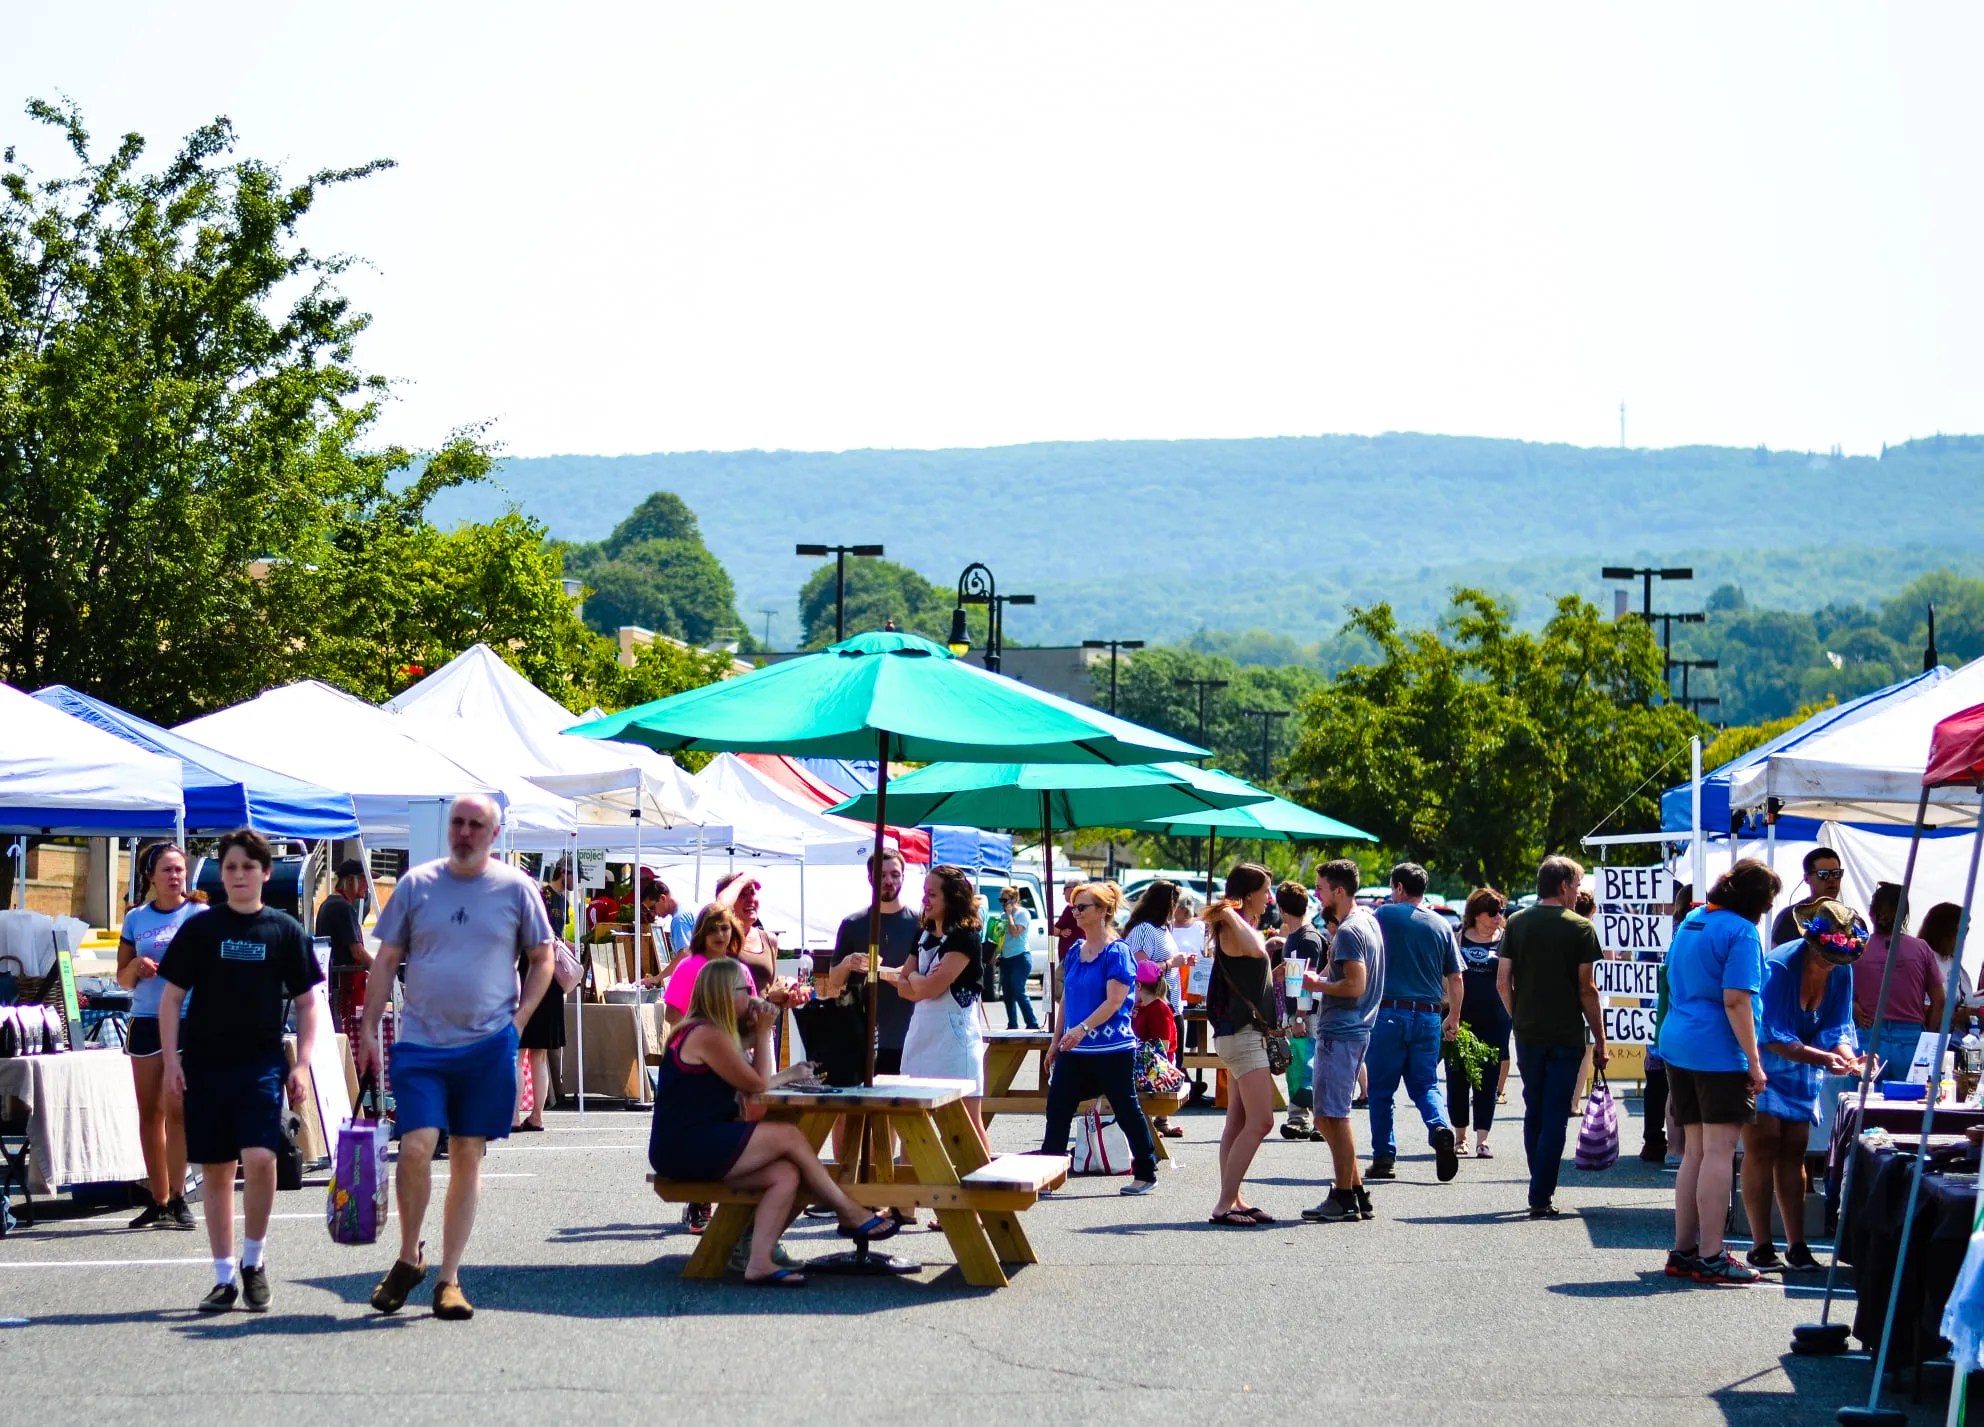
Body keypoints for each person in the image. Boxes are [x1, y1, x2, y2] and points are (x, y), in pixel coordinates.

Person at [358, 793, 555, 1321]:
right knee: (418, 1147)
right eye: (458, 823)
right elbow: (386, 960)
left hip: (487, 1046)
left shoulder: (517, 889)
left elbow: (543, 958)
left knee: (468, 1154)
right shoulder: (416, 884)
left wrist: (517, 1024)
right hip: (422, 1044)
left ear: (494, 835)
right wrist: (370, 1025)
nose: (464, 832)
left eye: (475, 825)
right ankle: (408, 1255)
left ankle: (449, 1277)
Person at [648, 958, 899, 1285]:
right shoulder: (705, 1035)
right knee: (788, 1136)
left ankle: (759, 1260)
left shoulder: (715, 1033)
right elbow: (756, 1085)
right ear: (724, 994)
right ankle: (846, 1209)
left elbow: (753, 1077)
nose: (753, 996)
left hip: (701, 1139)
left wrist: (769, 1027)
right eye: (746, 990)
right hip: (686, 1146)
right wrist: (765, 1030)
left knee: (785, 1173)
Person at [157, 828, 321, 1313]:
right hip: (206, 1064)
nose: (239, 875)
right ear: (220, 874)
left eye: (249, 867)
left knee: (262, 1157)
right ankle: (225, 1275)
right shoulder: (201, 929)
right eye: (230, 867)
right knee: (217, 1169)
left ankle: (255, 1260)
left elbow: (310, 1002)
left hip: (261, 1065)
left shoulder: (284, 930)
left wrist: (304, 1062)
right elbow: (171, 998)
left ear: (266, 873)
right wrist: (171, 1060)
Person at [1657, 856, 1780, 1285]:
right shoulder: (1742, 932)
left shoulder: (1692, 919)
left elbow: (1670, 977)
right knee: (1719, 1152)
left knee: (1694, 1151)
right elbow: (1736, 1000)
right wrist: (1755, 1062)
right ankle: (1711, 1255)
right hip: (1718, 1051)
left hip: (1679, 1042)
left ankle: (1685, 1249)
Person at [1744, 897, 1865, 1273]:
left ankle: (1797, 1246)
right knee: (1764, 1144)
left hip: (1804, 1066)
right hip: (1765, 1062)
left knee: (1795, 1148)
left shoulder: (1842, 969)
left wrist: (1848, 1056)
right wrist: (1826, 1058)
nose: (1832, 964)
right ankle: (1761, 1244)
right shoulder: (1779, 966)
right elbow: (1771, 1035)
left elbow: (1837, 1026)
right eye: (1826, 956)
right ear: (1810, 944)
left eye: (1838, 958)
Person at [1498, 858, 1605, 1219]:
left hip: (1527, 1032)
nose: (1578, 892)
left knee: (1535, 1107)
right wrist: (1601, 1039)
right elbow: (1587, 990)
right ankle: (1541, 1192)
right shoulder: (1580, 929)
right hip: (1566, 1033)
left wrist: (1518, 1014)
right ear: (1562, 886)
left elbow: (1502, 981)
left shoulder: (1516, 922)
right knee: (1556, 1112)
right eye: (1575, 886)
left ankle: (1538, 1180)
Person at [1038, 881, 1158, 1196]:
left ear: (1104, 911)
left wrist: (1082, 1029)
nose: (1074, 912)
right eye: (1073, 907)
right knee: (1058, 1105)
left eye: (1082, 907)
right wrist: (1056, 1040)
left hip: (1112, 1048)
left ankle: (1146, 1171)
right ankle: (1049, 1173)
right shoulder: (1077, 951)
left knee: (1125, 1106)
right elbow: (1067, 998)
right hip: (1074, 1048)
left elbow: (1114, 1002)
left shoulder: (1117, 952)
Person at [117, 841, 206, 1230]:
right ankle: (159, 1198)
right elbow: (121, 979)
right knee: (149, 1112)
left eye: (180, 870)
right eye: (167, 870)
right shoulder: (136, 918)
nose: (175, 877)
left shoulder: (199, 913)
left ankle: (180, 1194)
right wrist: (137, 964)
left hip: (187, 1019)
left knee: (177, 1109)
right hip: (146, 1019)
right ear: (150, 877)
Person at [1367, 862, 1463, 1183]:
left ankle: (1384, 1157)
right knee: (1425, 1085)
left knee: (1381, 1090)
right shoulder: (1441, 925)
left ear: (1398, 887)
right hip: (1428, 1014)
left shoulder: (1383, 916)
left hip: (1389, 1012)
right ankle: (1439, 1128)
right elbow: (1456, 978)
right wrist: (1454, 1016)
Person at [1302, 859, 1385, 1224]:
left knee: (1331, 1115)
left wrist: (1316, 986)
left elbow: (1355, 985)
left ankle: (1344, 1195)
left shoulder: (1350, 930)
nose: (1316, 894)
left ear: (1338, 890)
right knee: (1327, 1116)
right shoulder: (1367, 920)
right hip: (1355, 1029)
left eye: (1319, 887)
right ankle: (1356, 1191)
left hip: (1343, 1029)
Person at [1205, 864, 1281, 1225]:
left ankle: (1233, 1198)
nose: (1270, 898)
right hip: (1243, 1036)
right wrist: (1228, 910)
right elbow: (1254, 948)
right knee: (1262, 1121)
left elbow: (1254, 962)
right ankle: (1223, 1204)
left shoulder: (1239, 926)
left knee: (1237, 1120)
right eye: (1266, 890)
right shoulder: (1235, 926)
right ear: (1248, 894)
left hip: (1240, 1034)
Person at [896, 865, 989, 1137]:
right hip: (920, 1036)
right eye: (925, 893)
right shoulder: (922, 934)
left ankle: (980, 1179)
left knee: (967, 1125)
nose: (925, 900)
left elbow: (931, 988)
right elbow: (905, 988)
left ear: (952, 898)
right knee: (914, 1125)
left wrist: (913, 978)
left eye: (932, 894)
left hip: (955, 1041)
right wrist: (916, 979)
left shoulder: (965, 937)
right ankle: (911, 1179)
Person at [1857, 882, 1944, 1077]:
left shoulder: (1857, 948)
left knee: (1863, 1104)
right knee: (1909, 1105)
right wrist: (1927, 1036)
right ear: (1904, 914)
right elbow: (1939, 1000)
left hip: (1868, 1037)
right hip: (1911, 1041)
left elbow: (1838, 993)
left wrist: (1854, 1006)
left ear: (1872, 913)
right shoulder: (1921, 948)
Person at [1449, 886, 1508, 1159]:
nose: (1498, 917)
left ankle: (1483, 1139)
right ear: (1476, 914)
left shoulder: (1506, 940)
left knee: (1488, 1079)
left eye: (1501, 911)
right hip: (1461, 1018)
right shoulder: (1458, 938)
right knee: (1458, 1078)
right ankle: (1460, 1137)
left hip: (1496, 1019)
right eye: (1492, 912)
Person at [514, 877, 569, 1132]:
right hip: (551, 990)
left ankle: (514, 1117)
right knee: (539, 1056)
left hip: (526, 990)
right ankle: (537, 1116)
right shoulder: (549, 930)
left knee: (518, 1055)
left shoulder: (518, 925)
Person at [1274, 880, 1327, 1142]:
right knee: (1296, 1065)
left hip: (1308, 1014)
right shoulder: (1295, 937)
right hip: (1298, 1012)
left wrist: (1298, 1017)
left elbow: (1308, 980)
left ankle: (1318, 1120)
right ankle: (1298, 1118)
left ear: (1282, 909)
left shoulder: (1307, 939)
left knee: (1310, 1065)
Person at [316, 858, 372, 1040]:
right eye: (364, 880)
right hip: (344, 989)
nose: (368, 886)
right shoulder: (342, 907)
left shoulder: (328, 904)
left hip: (336, 986)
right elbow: (357, 951)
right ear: (350, 880)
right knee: (344, 1037)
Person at [1130, 959, 1184, 1138]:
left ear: (1138, 986)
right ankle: (1157, 1122)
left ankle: (1154, 1122)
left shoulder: (1160, 1009)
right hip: (1150, 1064)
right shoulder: (1143, 1007)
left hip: (1160, 1068)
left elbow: (1163, 1049)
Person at [1125, 880, 1189, 1014]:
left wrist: (1181, 961)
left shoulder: (1164, 928)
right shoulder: (1144, 930)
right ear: (1169, 904)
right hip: (1152, 1011)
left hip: (1171, 1009)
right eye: (1175, 904)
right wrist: (1171, 963)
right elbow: (1139, 971)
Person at [1769, 848, 1847, 947]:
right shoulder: (1791, 917)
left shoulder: (1846, 917)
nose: (1831, 879)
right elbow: (1777, 958)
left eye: (1837, 873)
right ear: (1806, 878)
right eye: (1823, 874)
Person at [714, 872, 778, 992]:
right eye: (742, 895)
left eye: (752, 893)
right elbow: (719, 906)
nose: (750, 899)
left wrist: (785, 996)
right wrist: (742, 880)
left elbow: (768, 992)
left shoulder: (770, 939)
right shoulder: (720, 939)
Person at [1919, 902, 1983, 1019]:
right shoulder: (1923, 959)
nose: (1964, 937)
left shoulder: (1951, 960)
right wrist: (1959, 1016)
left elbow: (1964, 997)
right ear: (1945, 932)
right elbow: (1924, 1010)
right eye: (1962, 931)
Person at [995, 886, 1039, 1030]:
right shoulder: (1002, 916)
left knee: (1018, 989)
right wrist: (997, 954)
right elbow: (1000, 938)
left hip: (1020, 957)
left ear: (1014, 900)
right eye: (1000, 900)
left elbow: (1015, 933)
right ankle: (1012, 1024)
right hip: (1006, 957)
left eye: (1005, 900)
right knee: (1007, 993)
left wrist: (1009, 915)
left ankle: (1031, 1022)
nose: (1002, 903)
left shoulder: (1022, 914)